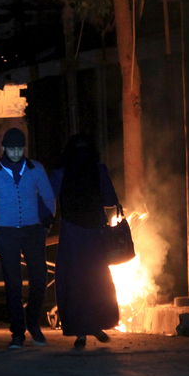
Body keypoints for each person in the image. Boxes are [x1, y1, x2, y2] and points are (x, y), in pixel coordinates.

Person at [0, 127, 56, 349]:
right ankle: (17, 333)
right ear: (4, 148)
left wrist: (45, 224)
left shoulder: (35, 169)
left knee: (39, 279)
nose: (15, 152)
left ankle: (33, 322)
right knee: (13, 284)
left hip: (33, 230)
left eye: (19, 148)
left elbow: (48, 197)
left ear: (24, 148)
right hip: (7, 233)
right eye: (11, 148)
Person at [50, 133, 120, 350]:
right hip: (94, 235)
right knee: (97, 281)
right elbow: (110, 200)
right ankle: (97, 325)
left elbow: (49, 198)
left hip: (72, 235)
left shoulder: (61, 172)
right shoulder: (98, 170)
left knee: (74, 282)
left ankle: (80, 330)